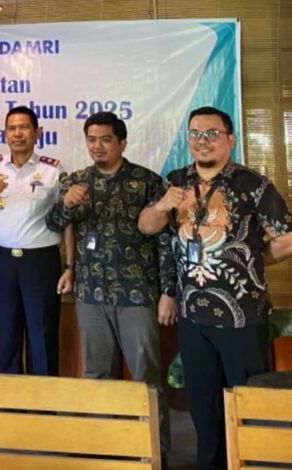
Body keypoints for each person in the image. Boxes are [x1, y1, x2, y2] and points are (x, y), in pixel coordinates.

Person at [139, 106, 292, 469]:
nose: (202, 140)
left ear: (230, 139)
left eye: (212, 133)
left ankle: (252, 463)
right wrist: (162, 205)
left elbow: (286, 239)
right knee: (202, 402)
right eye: (195, 133)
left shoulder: (252, 184)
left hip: (242, 314)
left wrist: (251, 258)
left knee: (247, 399)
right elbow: (146, 226)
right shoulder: (175, 180)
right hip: (193, 314)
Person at [46, 111, 172, 458]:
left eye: (105, 140)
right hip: (91, 292)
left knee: (146, 378)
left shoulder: (147, 182)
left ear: (122, 142)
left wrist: (168, 292)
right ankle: (104, 452)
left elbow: (165, 242)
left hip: (137, 293)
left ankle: (153, 454)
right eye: (91, 140)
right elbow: (54, 224)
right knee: (98, 376)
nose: (97, 146)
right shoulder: (77, 181)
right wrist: (66, 204)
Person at [0, 106, 74, 376]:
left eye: (24, 128)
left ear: (37, 133)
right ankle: (11, 398)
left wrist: (70, 266)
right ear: (5, 133)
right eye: (12, 128)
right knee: (8, 334)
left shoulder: (53, 170)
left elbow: (68, 221)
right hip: (4, 262)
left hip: (41, 262)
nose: (17, 134)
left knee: (42, 336)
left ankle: (43, 398)